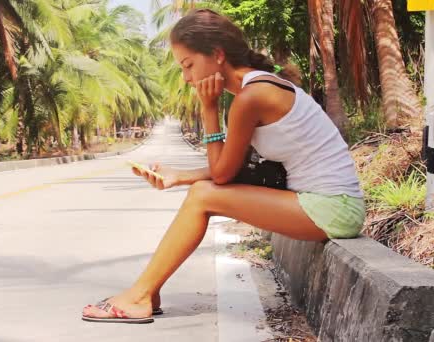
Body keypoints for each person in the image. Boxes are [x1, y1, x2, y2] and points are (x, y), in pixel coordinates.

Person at [82, 8, 365, 324]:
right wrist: (180, 177)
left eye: (188, 65)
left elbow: (221, 175)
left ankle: (140, 295)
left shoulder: (251, 97)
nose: (186, 77)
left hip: (332, 208)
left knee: (203, 196)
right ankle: (149, 290)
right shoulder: (255, 89)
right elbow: (232, 166)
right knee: (201, 192)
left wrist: (209, 108)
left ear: (217, 54)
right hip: (327, 205)